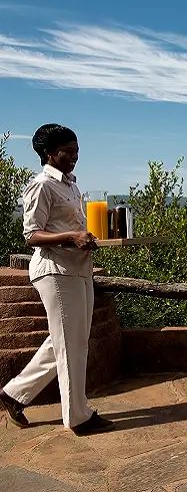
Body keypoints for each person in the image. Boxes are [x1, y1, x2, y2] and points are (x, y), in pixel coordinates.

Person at [0, 124, 115, 435]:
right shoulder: (41, 186)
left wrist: (85, 238)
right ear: (49, 153)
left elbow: (70, 229)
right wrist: (71, 236)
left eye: (77, 151)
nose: (75, 157)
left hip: (79, 269)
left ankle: (14, 394)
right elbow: (31, 235)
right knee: (71, 345)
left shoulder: (71, 186)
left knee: (66, 341)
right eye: (68, 152)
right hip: (55, 271)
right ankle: (78, 416)